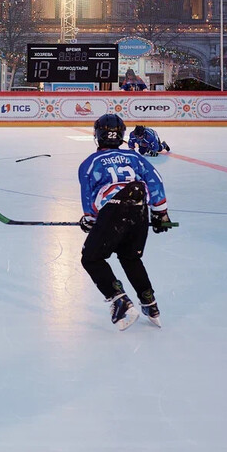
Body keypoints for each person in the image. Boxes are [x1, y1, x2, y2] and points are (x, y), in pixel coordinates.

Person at [78, 114, 171, 330]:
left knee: (91, 259)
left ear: (97, 135)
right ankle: (149, 302)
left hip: (113, 210)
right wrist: (160, 214)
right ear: (121, 135)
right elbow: (155, 182)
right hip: (139, 209)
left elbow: (88, 198)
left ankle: (119, 300)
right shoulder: (135, 157)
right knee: (130, 257)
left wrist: (90, 219)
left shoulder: (89, 163)